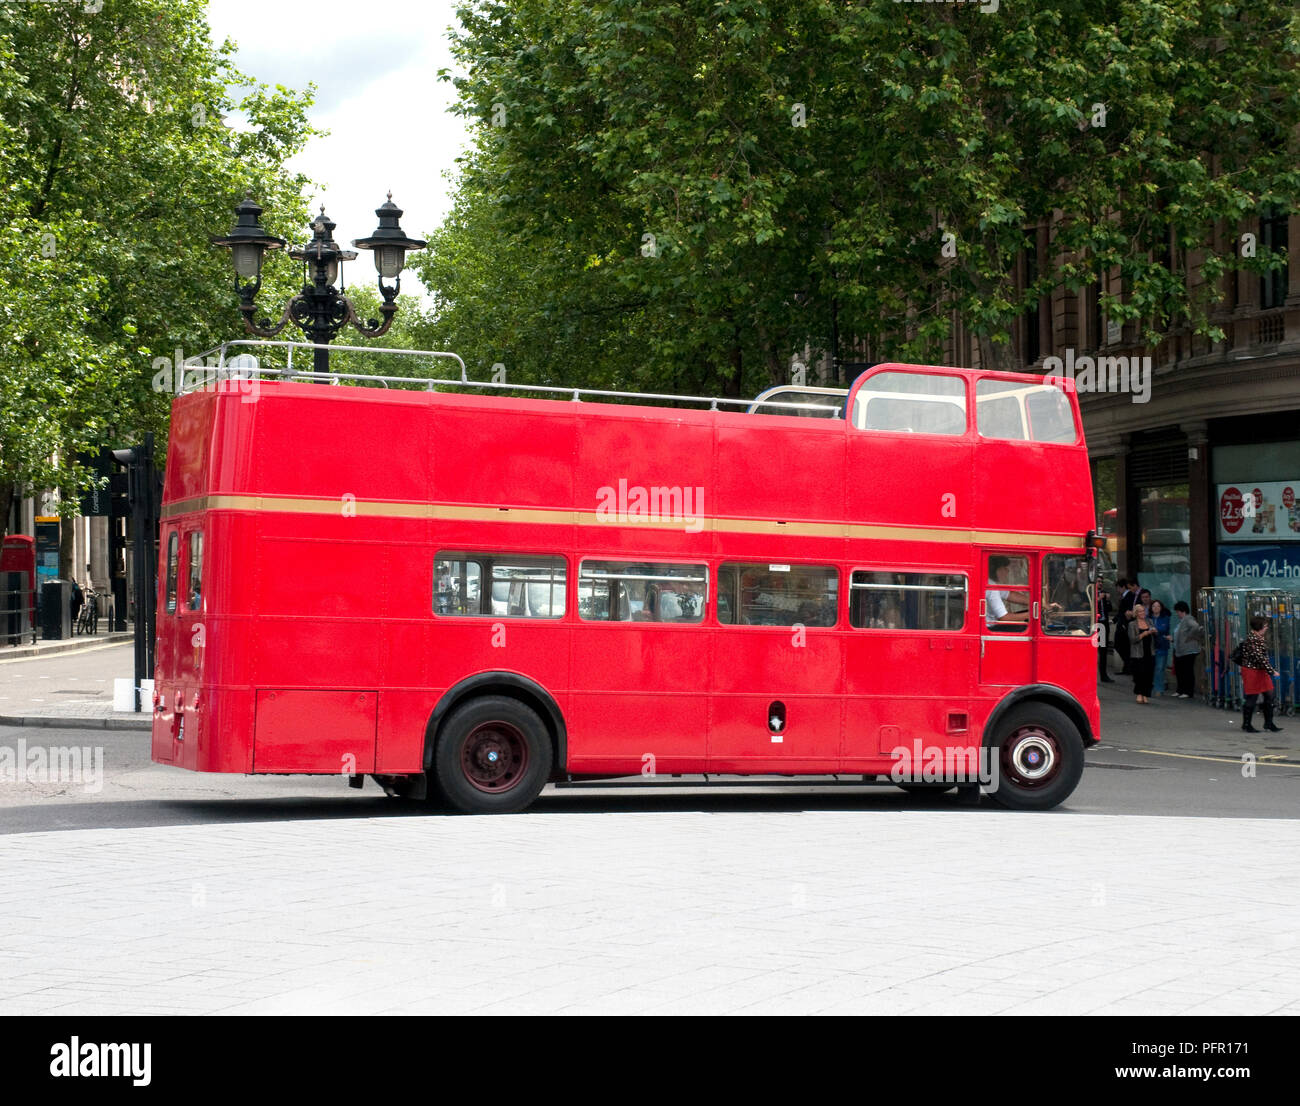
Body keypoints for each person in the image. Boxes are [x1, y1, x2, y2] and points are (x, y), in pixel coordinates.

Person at [1239, 616, 1283, 733]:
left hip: (1260, 671)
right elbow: (1259, 658)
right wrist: (1272, 671)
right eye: (1265, 626)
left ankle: (1268, 723)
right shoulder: (1253, 639)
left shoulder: (1258, 637)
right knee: (1252, 697)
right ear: (1260, 627)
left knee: (1270, 695)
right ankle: (1247, 724)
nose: (1266, 628)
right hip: (1252, 671)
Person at [986, 556, 1029, 630]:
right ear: (997, 570)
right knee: (1025, 628)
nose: (1007, 571)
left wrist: (1037, 603)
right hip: (990, 628)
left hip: (991, 625)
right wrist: (1031, 614)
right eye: (1005, 568)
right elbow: (1004, 617)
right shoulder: (991, 587)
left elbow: (1009, 595)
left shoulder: (991, 583)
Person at [1171, 601, 1203, 698]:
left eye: (1177, 612)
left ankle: (1188, 691)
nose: (1177, 614)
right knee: (1180, 671)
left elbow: (1196, 627)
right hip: (1180, 651)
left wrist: (1189, 636)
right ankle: (1180, 689)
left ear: (1182, 611)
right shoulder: (1182, 621)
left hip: (1188, 651)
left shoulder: (1188, 619)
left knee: (1187, 671)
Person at [1130, 601, 1158, 703]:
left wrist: (1154, 632)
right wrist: (1144, 634)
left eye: (1143, 611)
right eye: (1140, 612)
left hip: (1149, 652)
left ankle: (1146, 694)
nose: (1143, 613)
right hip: (1138, 653)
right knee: (1139, 674)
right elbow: (1133, 639)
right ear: (1136, 613)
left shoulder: (1149, 621)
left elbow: (1155, 635)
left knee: (1148, 674)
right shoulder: (1132, 624)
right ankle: (1139, 693)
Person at [1115, 578, 1140, 674]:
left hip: (1125, 625)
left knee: (1121, 645)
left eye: (1118, 588)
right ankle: (1127, 666)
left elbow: (1127, 611)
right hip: (1121, 622)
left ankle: (1129, 665)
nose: (1117, 590)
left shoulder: (1129, 596)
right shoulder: (1123, 597)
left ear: (1123, 587)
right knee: (1122, 645)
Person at [1149, 599, 1171, 695]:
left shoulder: (1165, 618)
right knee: (1151, 668)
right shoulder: (1148, 618)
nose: (1156, 608)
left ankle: (1159, 688)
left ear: (1161, 608)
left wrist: (1156, 630)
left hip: (1162, 646)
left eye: (1158, 606)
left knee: (1160, 668)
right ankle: (1152, 686)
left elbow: (1164, 628)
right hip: (1151, 646)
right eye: (1154, 606)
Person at [1097, 583, 1114, 682]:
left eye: (1101, 581)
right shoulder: (1091, 593)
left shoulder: (1105, 595)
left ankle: (1103, 674)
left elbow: (1110, 609)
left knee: (1103, 650)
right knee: (1094, 651)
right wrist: (1098, 599)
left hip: (1103, 624)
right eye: (1098, 581)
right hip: (1095, 624)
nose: (1100, 583)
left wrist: (1107, 600)